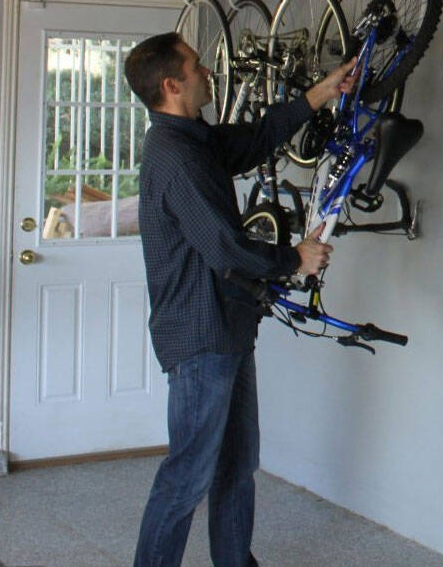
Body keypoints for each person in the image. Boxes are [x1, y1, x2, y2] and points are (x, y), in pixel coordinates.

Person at [124, 30, 357, 567]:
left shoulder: (193, 140)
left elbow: (254, 140)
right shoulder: (175, 158)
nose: (208, 71)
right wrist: (294, 258)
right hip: (200, 335)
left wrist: (319, 94)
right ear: (172, 84)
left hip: (226, 326)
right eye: (196, 65)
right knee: (187, 476)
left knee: (236, 467)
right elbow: (224, 247)